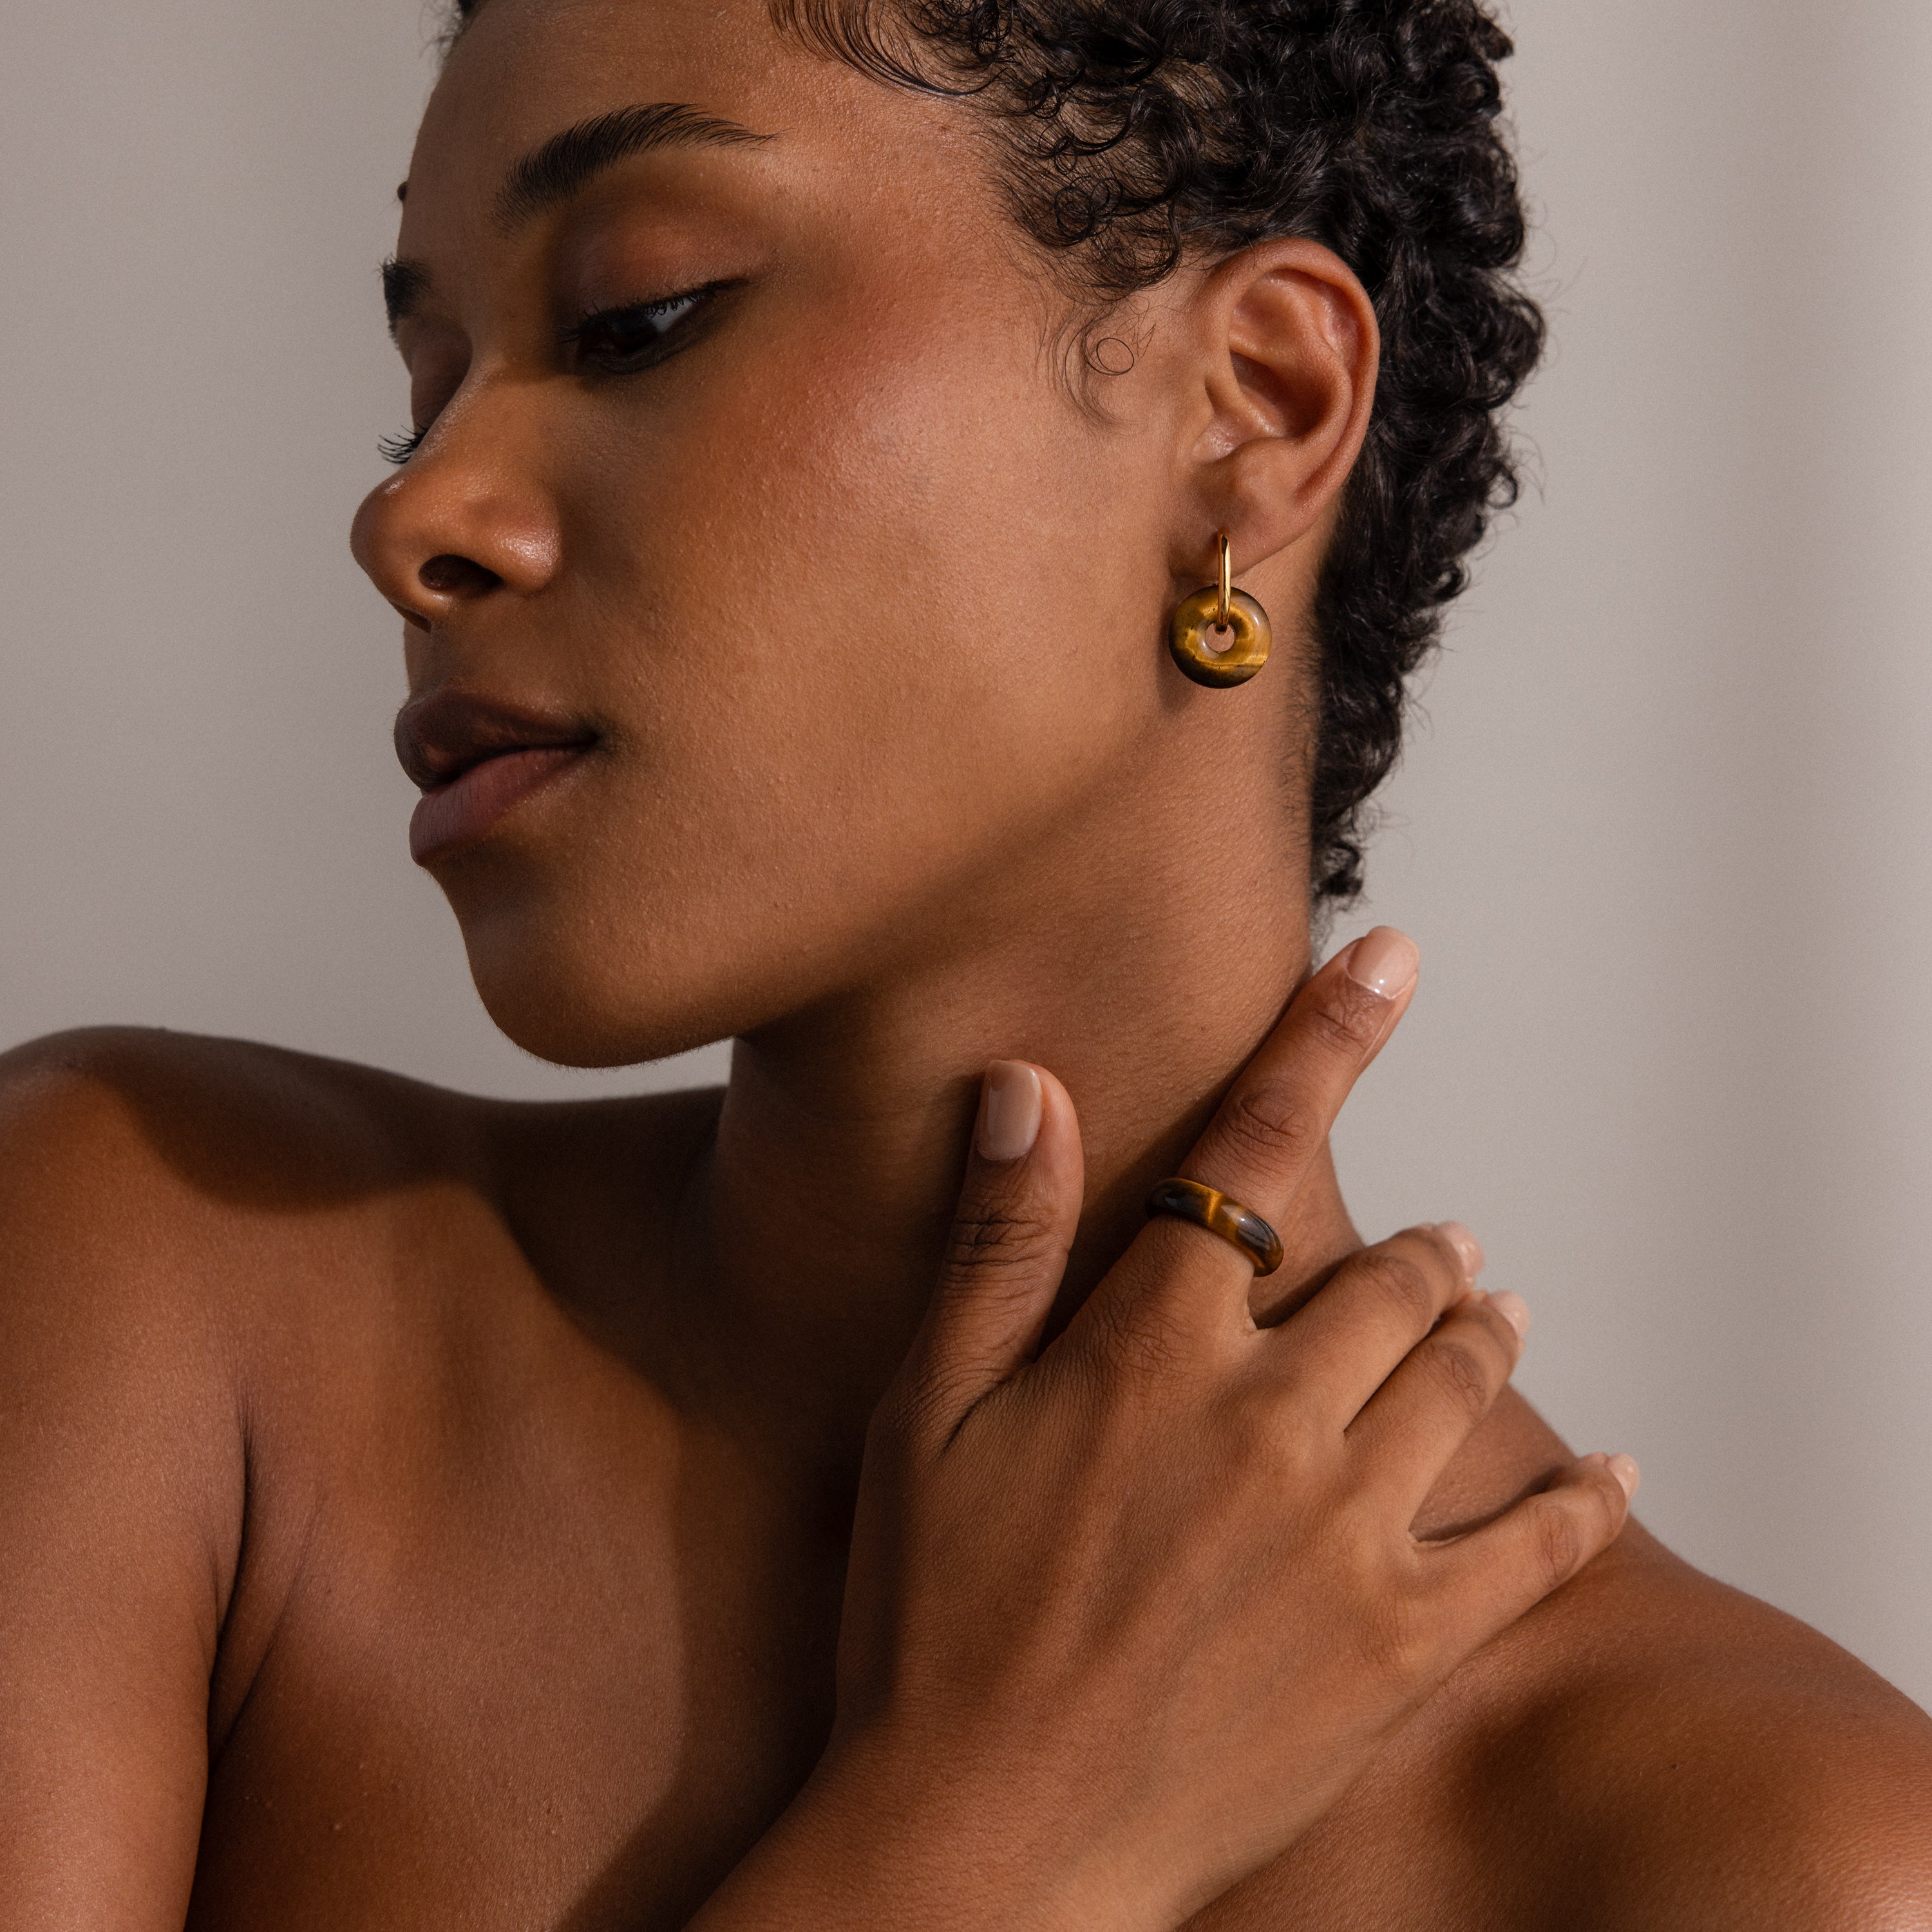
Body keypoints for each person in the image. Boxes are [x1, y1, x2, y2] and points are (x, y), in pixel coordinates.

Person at [2, 0, 1928, 1923]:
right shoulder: (137, 1303)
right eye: (425, 387)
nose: (412, 511)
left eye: (638, 317)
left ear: (1252, 403)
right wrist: (990, 1841)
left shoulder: (1769, 1858)